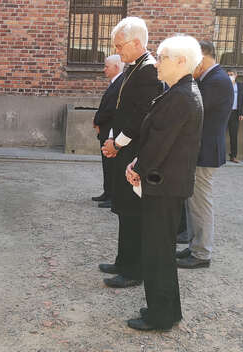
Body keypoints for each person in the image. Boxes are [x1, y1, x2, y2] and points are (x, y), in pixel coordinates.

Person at [125, 34, 203, 332]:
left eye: (163, 58)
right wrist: (139, 163)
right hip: (166, 185)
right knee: (159, 251)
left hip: (164, 187)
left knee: (158, 253)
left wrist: (138, 168)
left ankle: (161, 315)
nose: (157, 63)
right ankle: (166, 309)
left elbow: (159, 144)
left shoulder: (182, 96)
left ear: (181, 61)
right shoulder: (180, 92)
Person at [99, 17, 164, 288]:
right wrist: (112, 138)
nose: (118, 50)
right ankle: (123, 260)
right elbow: (120, 109)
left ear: (137, 42)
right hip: (123, 147)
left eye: (120, 45)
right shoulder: (132, 68)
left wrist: (118, 143)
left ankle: (133, 270)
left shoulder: (148, 70)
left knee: (133, 211)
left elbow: (140, 116)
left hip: (134, 150)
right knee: (124, 208)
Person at [176, 40, 233, 269]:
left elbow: (195, 109)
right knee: (194, 202)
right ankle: (195, 244)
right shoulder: (210, 78)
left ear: (203, 56)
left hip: (206, 150)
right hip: (200, 149)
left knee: (200, 203)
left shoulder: (217, 80)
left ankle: (202, 253)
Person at [92, 55, 125, 208]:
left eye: (107, 67)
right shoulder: (115, 82)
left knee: (112, 165)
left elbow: (111, 109)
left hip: (111, 130)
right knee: (107, 164)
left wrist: (98, 120)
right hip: (105, 129)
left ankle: (113, 196)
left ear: (116, 67)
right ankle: (107, 192)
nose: (104, 69)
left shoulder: (120, 83)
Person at [226, 69, 243, 163]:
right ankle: (219, 155)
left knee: (233, 135)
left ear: (236, 75)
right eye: (228, 74)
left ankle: (233, 156)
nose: (230, 76)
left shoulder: (241, 86)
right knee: (220, 135)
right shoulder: (224, 85)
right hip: (224, 113)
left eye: (232, 74)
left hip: (235, 113)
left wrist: (242, 113)